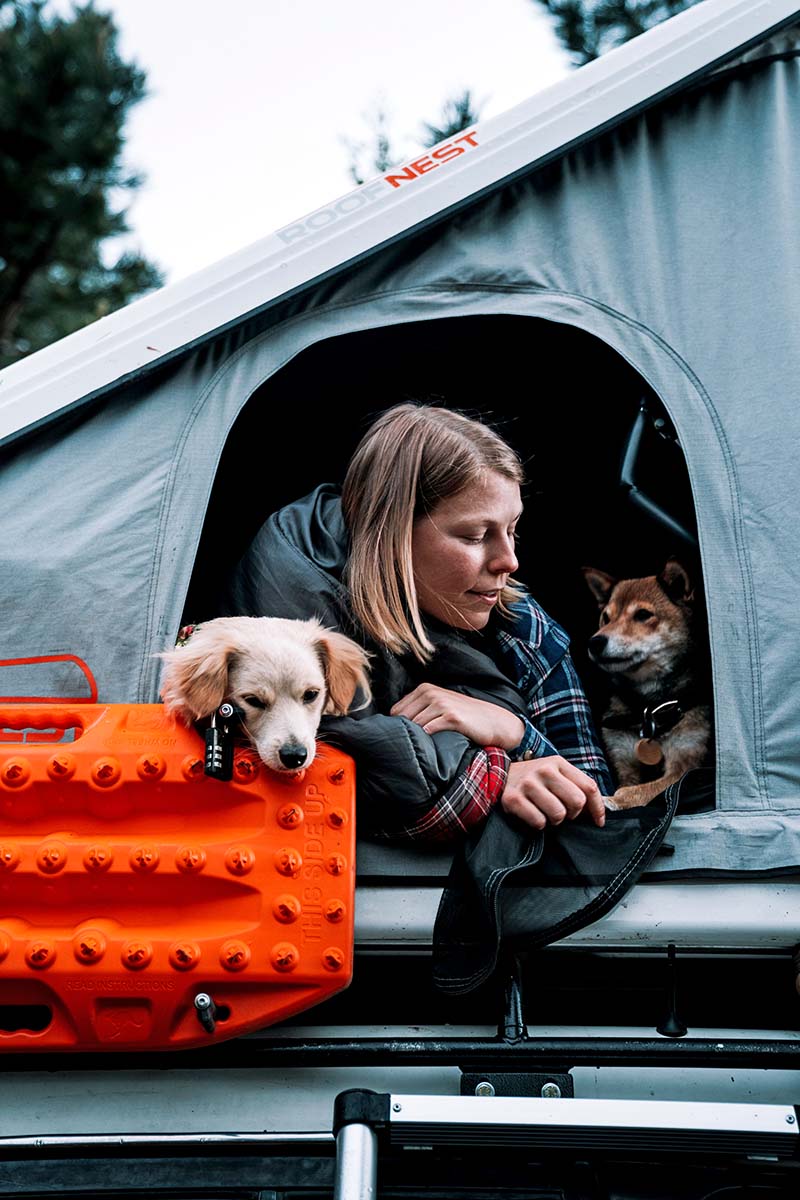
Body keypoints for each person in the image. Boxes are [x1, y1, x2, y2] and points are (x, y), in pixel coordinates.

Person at [216, 403, 612, 842]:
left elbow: (602, 809)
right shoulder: (289, 603)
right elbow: (315, 764)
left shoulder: (524, 628)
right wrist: (497, 779)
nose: (510, 561)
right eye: (475, 536)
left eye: (512, 529)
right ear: (391, 533)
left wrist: (512, 731)